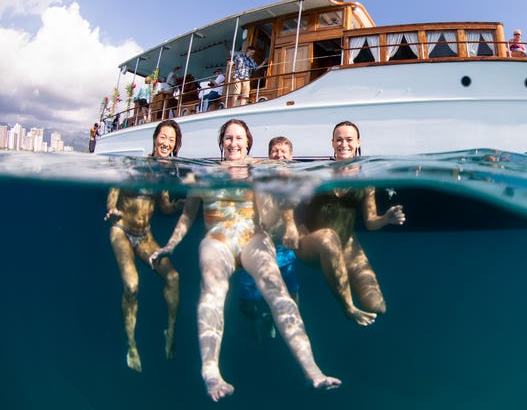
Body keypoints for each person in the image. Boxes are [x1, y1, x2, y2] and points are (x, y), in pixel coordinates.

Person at [150, 119, 339, 401]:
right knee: (213, 288)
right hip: (218, 239)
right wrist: (170, 244)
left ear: (248, 142)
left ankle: (313, 370)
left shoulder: (260, 169)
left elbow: (286, 176)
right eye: (228, 138)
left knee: (278, 292)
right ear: (221, 143)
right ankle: (210, 372)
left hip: (253, 236)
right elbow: (188, 215)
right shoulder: (205, 173)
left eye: (239, 138)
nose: (233, 143)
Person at [284, 121, 406, 326]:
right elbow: (289, 201)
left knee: (377, 306)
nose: (344, 144)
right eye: (339, 140)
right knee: (328, 237)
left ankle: (349, 290)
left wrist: (386, 219)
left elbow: (370, 222)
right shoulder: (318, 172)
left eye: (349, 139)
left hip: (347, 242)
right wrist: (291, 227)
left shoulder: (365, 179)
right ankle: (347, 307)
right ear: (332, 143)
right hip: (310, 242)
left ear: (358, 142)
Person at [104, 119, 184, 372]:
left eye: (171, 140)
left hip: (145, 236)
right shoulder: (135, 166)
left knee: (173, 277)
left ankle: (169, 332)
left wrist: (178, 207)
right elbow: (114, 191)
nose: (166, 143)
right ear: (155, 138)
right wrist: (111, 209)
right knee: (132, 285)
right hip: (121, 231)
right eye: (163, 137)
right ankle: (132, 345)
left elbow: (163, 206)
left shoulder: (164, 173)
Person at [239, 136, 299, 343]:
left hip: (283, 248)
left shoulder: (295, 177)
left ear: (291, 156)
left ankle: (278, 324)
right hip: (259, 246)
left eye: (283, 152)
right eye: (275, 151)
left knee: (291, 295)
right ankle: (256, 325)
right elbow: (248, 166)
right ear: (268, 155)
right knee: (246, 302)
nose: (279, 155)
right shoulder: (260, 176)